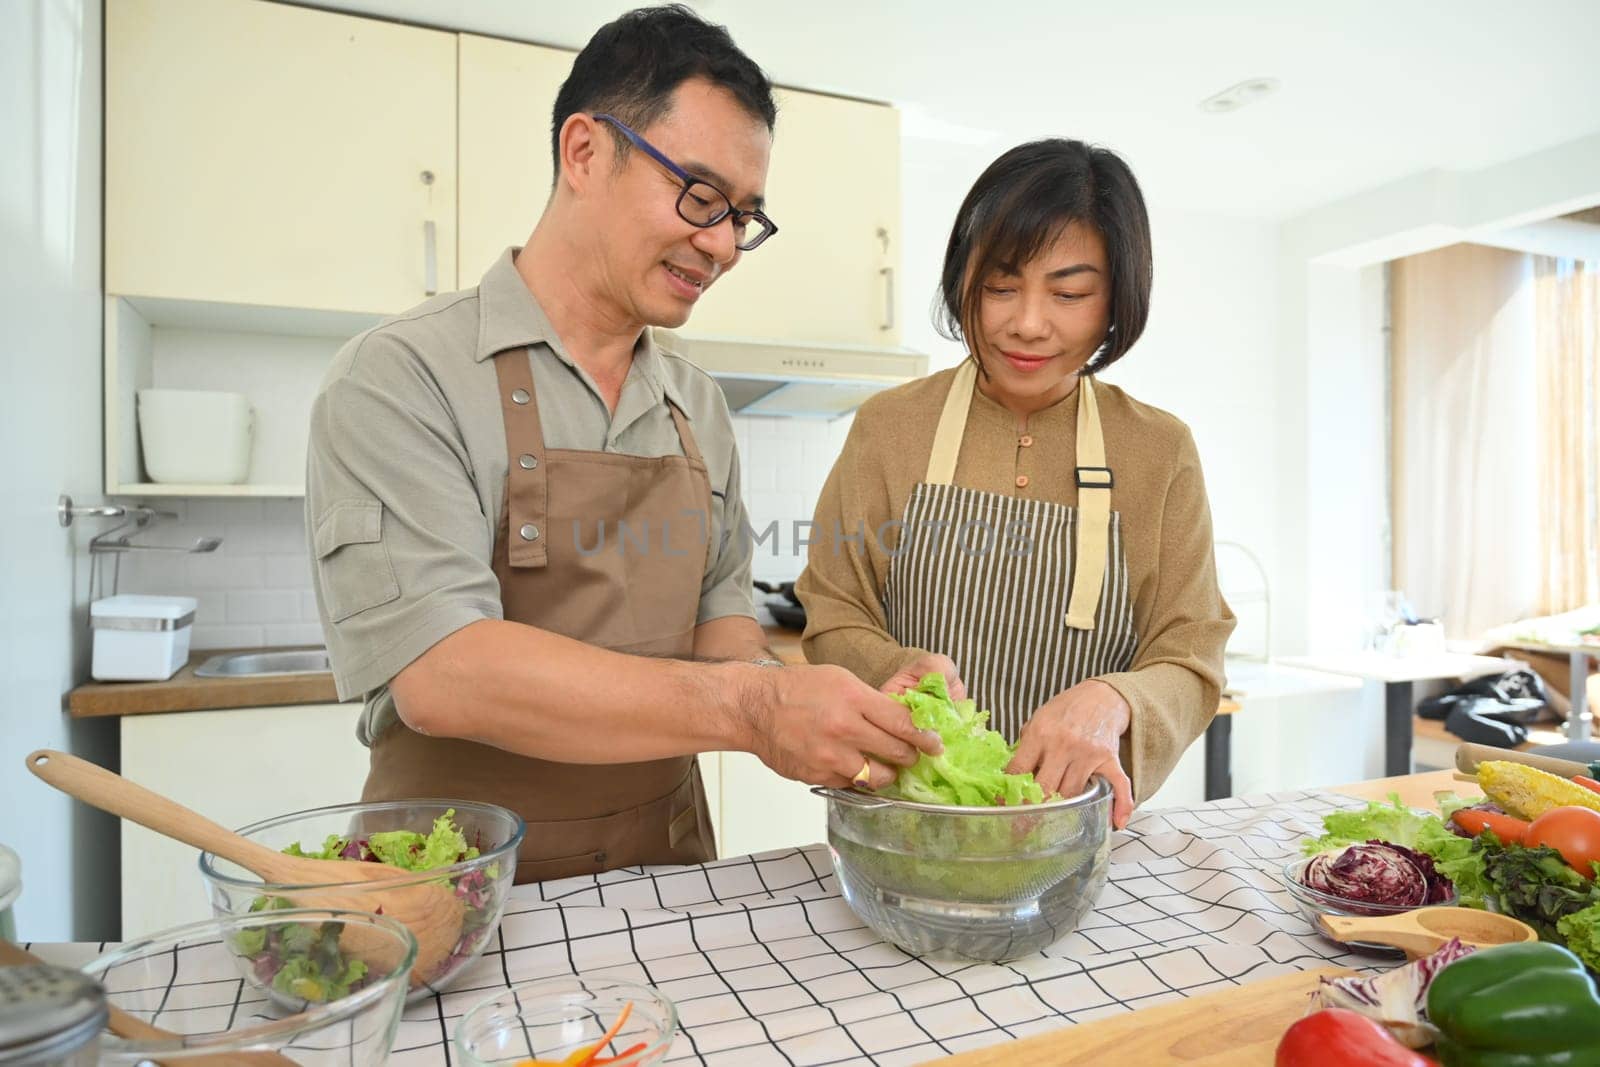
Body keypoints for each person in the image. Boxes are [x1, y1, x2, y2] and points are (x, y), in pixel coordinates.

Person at [305, 5, 939, 884]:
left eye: (744, 216)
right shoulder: (400, 376)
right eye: (701, 196)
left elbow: (726, 641)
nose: (721, 244)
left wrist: (833, 708)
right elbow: (446, 673)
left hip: (668, 874)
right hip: (458, 889)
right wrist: (754, 704)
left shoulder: (698, 406)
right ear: (584, 152)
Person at [796, 139, 1235, 828]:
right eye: (1001, 285)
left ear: (1116, 298)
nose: (1028, 322)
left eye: (1069, 292)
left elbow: (1190, 654)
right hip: (901, 823)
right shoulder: (889, 427)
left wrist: (1114, 699)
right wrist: (899, 667)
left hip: (1072, 832)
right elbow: (832, 610)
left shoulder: (1160, 450)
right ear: (962, 279)